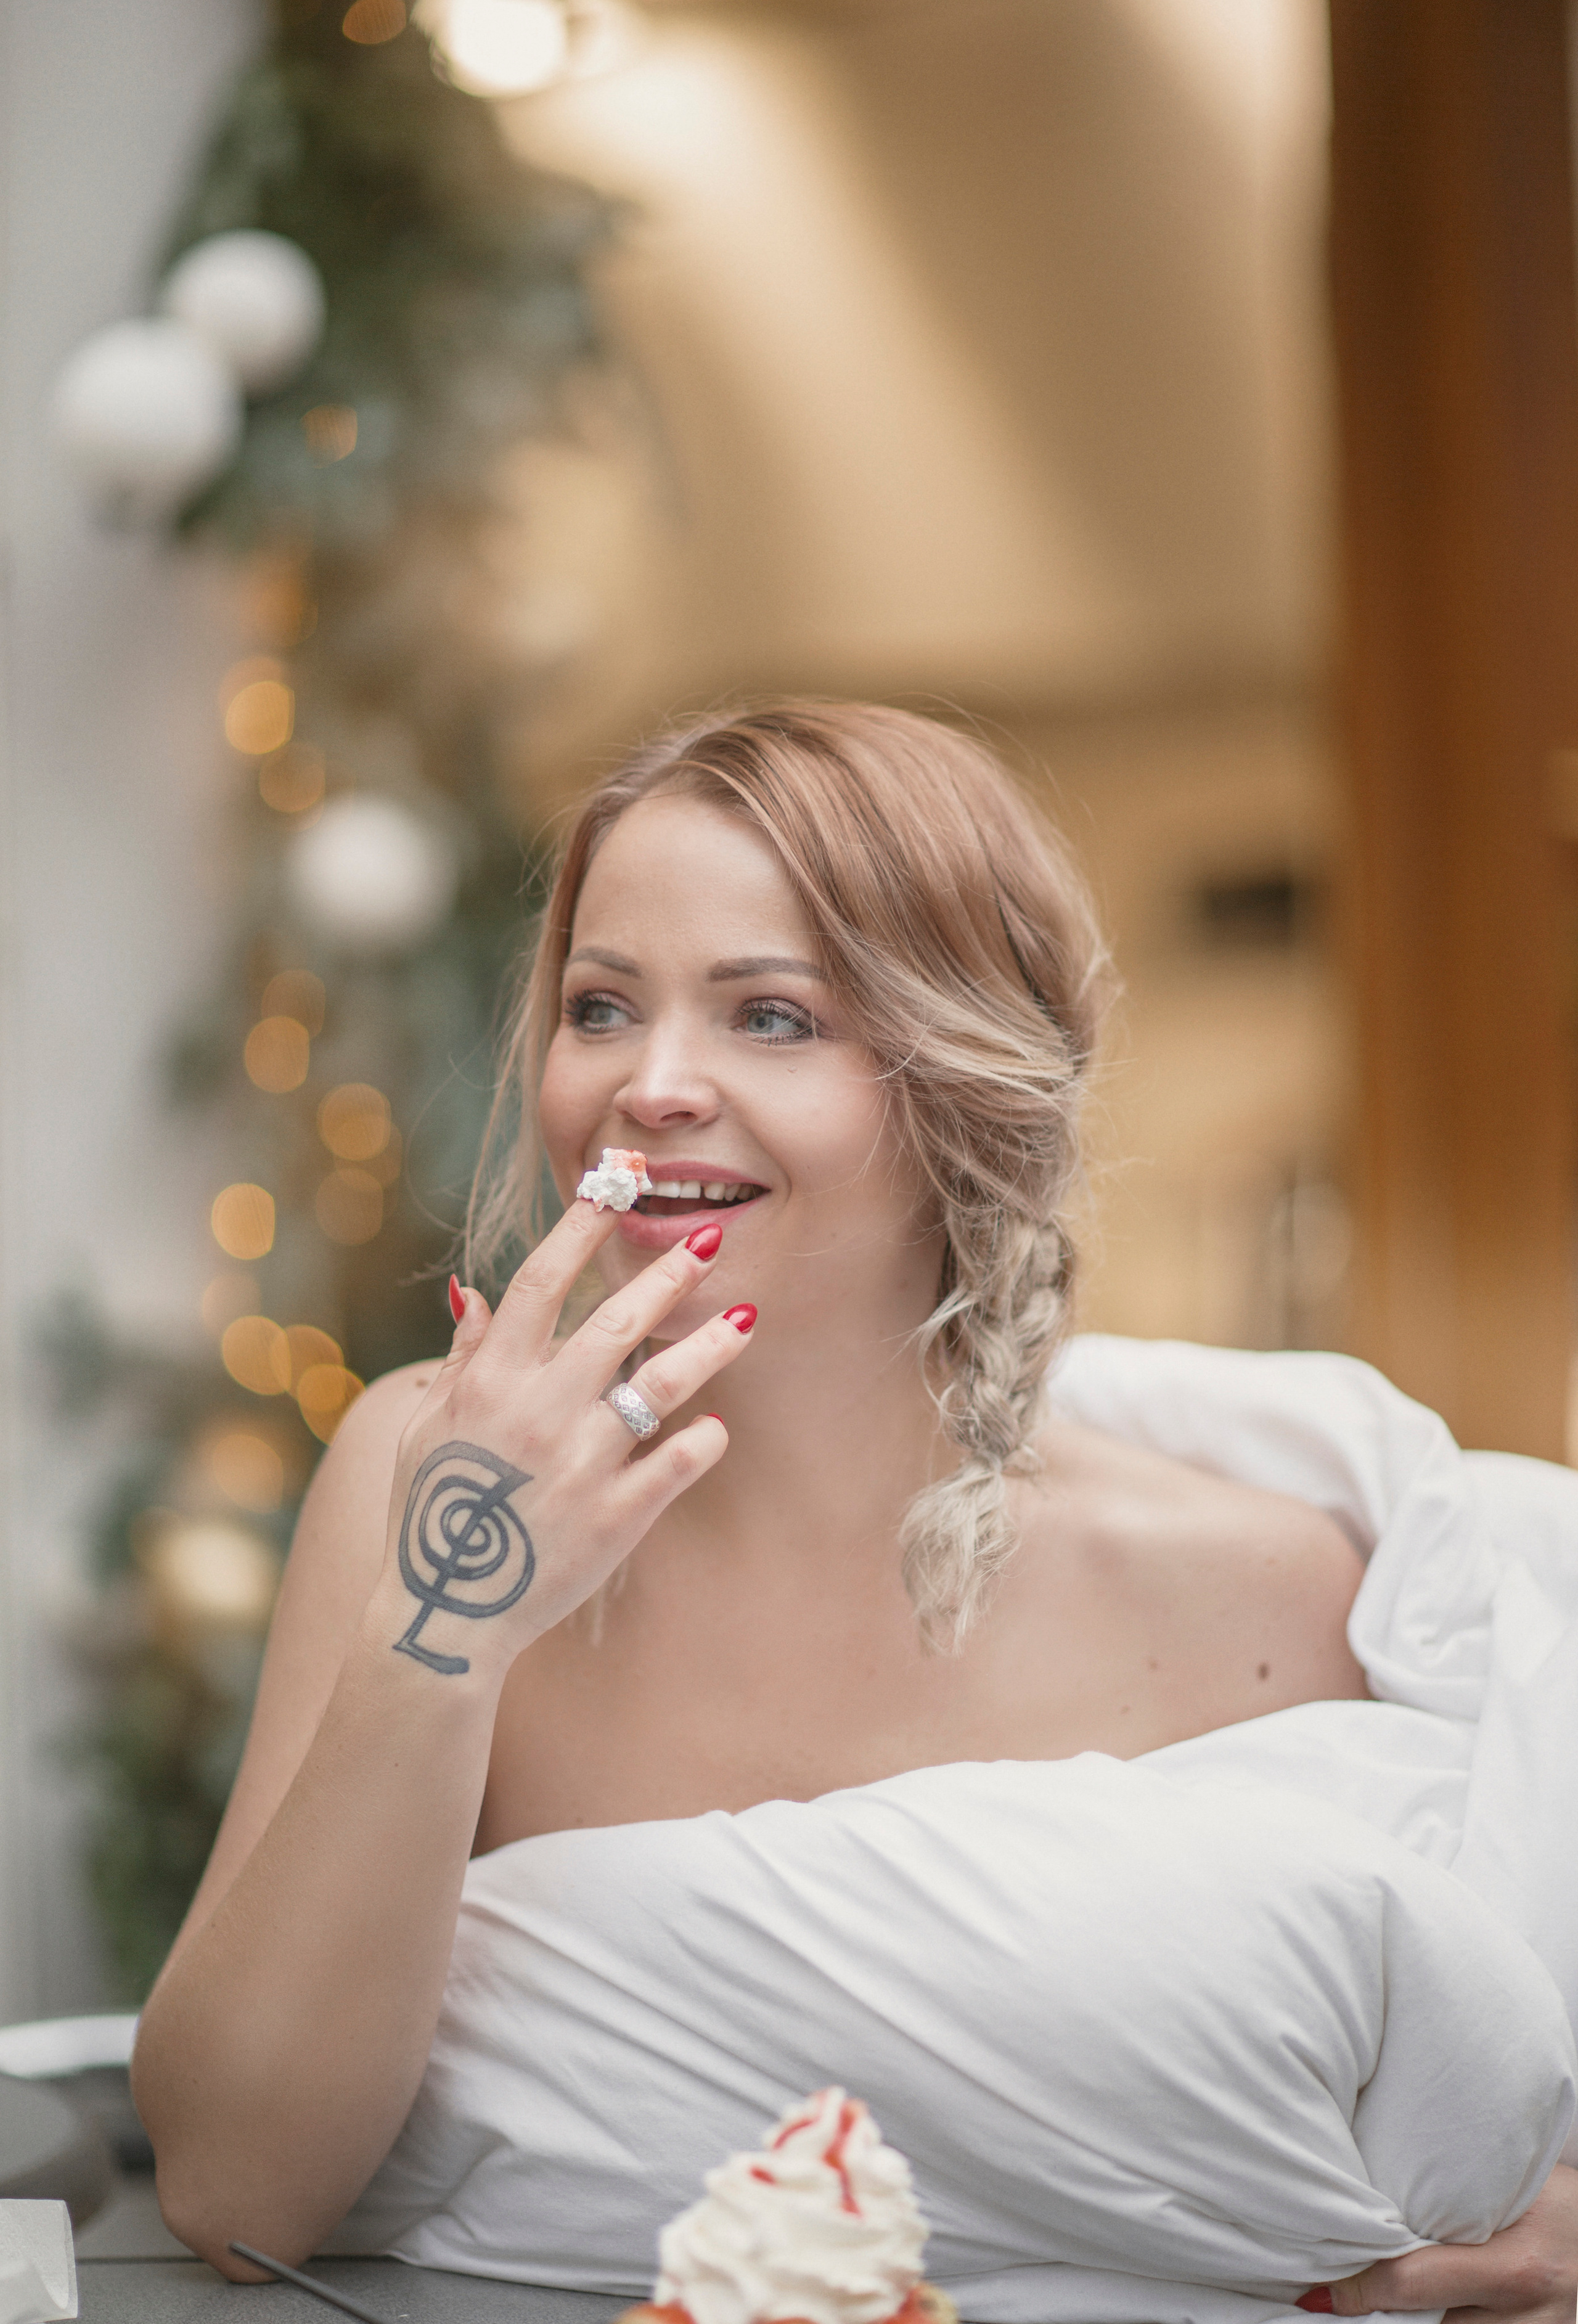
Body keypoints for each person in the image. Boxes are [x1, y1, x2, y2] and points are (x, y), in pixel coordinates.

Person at [131, 702, 1577, 2317]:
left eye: (772, 1016)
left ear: (966, 1082)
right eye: (602, 1006)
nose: (650, 1086)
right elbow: (233, 2187)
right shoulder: (427, 1476)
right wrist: (449, 1635)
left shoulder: (1257, 1589)